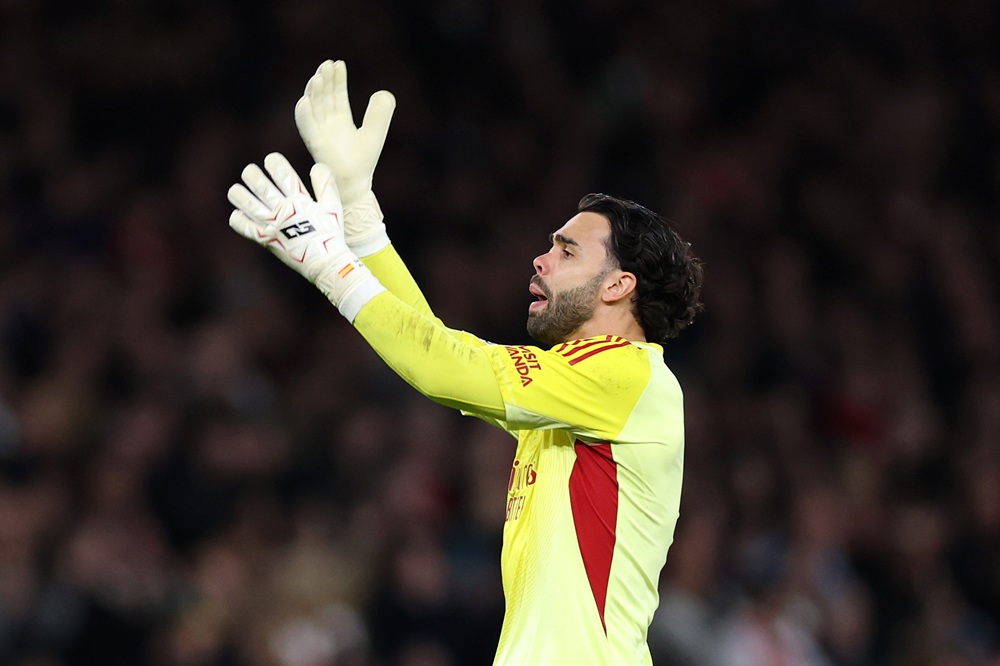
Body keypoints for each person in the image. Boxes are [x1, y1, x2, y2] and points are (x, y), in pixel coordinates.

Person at [226, 60, 704, 666]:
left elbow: (444, 366)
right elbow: (440, 351)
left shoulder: (632, 376)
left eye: (566, 249)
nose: (540, 259)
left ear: (618, 286)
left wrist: (332, 267)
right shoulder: (582, 386)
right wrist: (359, 217)